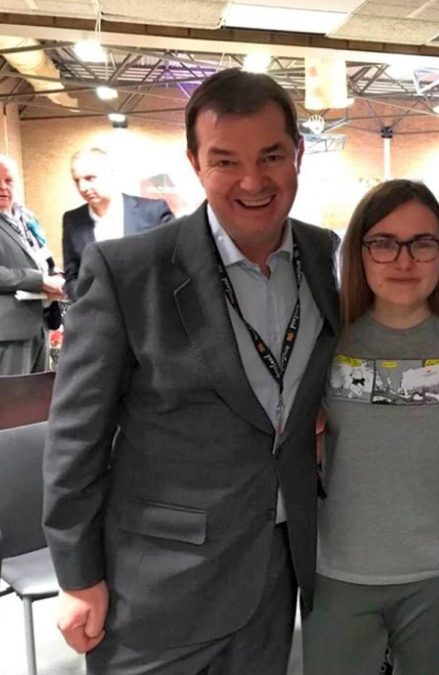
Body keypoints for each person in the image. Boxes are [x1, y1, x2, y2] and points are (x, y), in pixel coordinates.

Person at [42, 68, 340, 674]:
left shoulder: (321, 253)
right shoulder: (130, 270)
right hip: (158, 586)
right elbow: (77, 437)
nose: (253, 181)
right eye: (226, 160)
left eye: (272, 155)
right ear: (195, 162)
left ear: (298, 155)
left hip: (275, 571)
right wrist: (77, 576)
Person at [301, 179, 439, 675]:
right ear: (359, 250)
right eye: (384, 244)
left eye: (422, 244)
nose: (404, 262)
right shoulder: (323, 328)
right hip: (338, 567)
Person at [62, 147, 174, 300]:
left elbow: (175, 262)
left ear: (111, 175)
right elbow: (72, 276)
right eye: (77, 180)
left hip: (150, 312)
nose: (83, 187)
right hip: (100, 317)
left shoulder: (153, 212)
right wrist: (86, 300)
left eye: (90, 178)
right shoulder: (73, 221)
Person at [0, 153, 64, 374]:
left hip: (41, 324)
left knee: (34, 401)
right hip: (9, 332)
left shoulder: (26, 217)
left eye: (8, 181)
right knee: (11, 404)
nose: (3, 188)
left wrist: (56, 278)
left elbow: (41, 255)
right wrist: (37, 281)